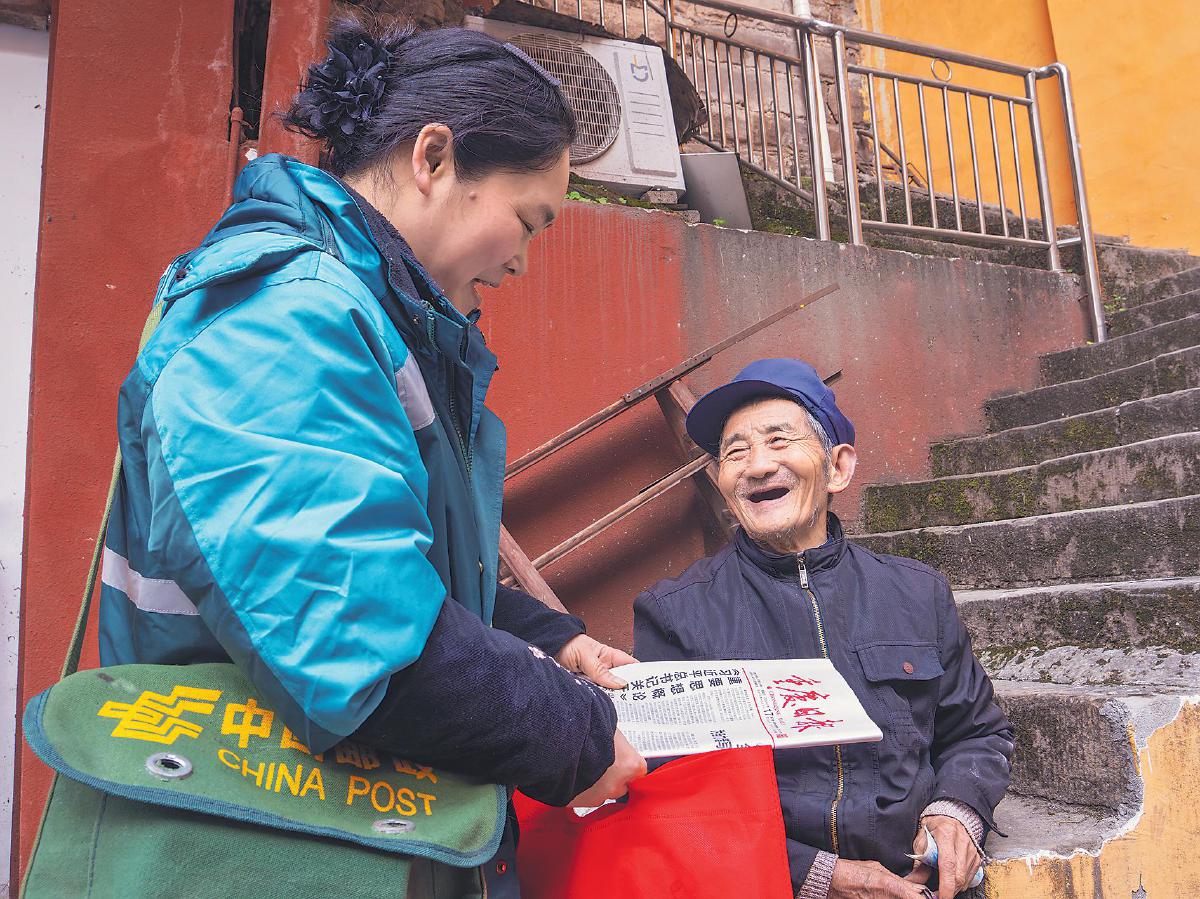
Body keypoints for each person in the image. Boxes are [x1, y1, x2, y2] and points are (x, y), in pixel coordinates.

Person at [97, 17, 644, 894]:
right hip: (259, 847)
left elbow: (392, 570)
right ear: (434, 157)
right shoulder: (285, 316)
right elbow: (354, 634)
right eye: (528, 221)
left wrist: (549, 638)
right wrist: (569, 731)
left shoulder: (370, 322)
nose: (523, 263)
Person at [633, 358, 1013, 899]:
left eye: (779, 440)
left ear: (837, 467)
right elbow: (670, 792)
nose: (757, 466)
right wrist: (818, 876)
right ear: (721, 482)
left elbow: (976, 733)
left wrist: (957, 811)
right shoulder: (675, 613)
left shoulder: (917, 592)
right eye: (735, 452)